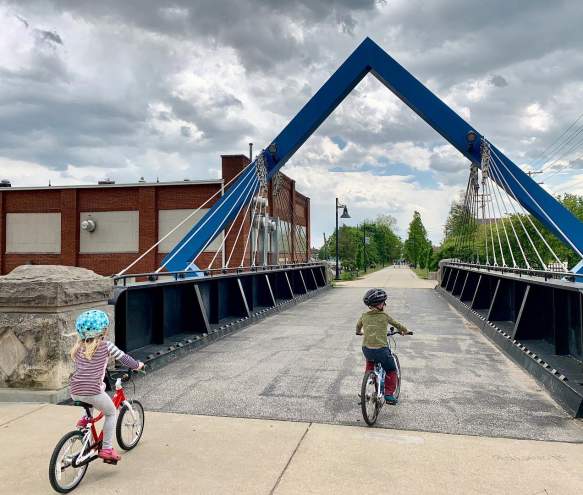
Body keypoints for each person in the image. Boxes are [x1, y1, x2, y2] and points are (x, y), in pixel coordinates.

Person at [69, 309, 144, 463]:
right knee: (110, 413)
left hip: (75, 390)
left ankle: (86, 419)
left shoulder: (78, 347)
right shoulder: (106, 346)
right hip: (92, 390)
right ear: (102, 330)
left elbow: (86, 371)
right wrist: (137, 365)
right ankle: (107, 448)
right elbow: (124, 358)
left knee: (89, 399)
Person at [356, 288, 410, 405]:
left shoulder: (364, 315)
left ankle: (366, 388)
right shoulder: (384, 316)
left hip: (367, 349)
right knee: (391, 370)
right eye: (383, 302)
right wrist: (405, 330)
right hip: (381, 350)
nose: (384, 304)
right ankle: (389, 394)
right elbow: (397, 324)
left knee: (370, 366)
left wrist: (359, 332)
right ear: (379, 304)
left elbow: (358, 326)